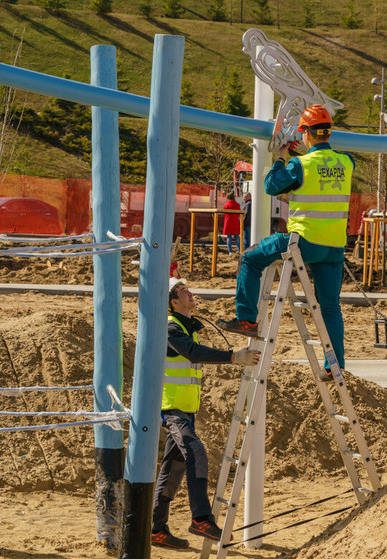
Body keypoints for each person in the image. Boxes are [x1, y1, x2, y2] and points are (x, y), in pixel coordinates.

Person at [217, 104, 353, 380]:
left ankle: (245, 319)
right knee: (330, 306)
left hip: (303, 242)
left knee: (250, 258)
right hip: (334, 247)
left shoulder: (299, 164)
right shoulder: (346, 162)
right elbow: (319, 186)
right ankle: (335, 365)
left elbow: (270, 186)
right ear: (328, 132)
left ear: (305, 134)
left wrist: (282, 157)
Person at [151, 277, 260, 549]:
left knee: (171, 471)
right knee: (196, 452)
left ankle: (156, 529)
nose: (190, 293)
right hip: (171, 409)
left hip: (186, 411)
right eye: (182, 290)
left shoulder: (189, 328)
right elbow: (192, 353)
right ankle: (200, 517)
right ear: (173, 301)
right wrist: (233, 357)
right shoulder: (171, 328)